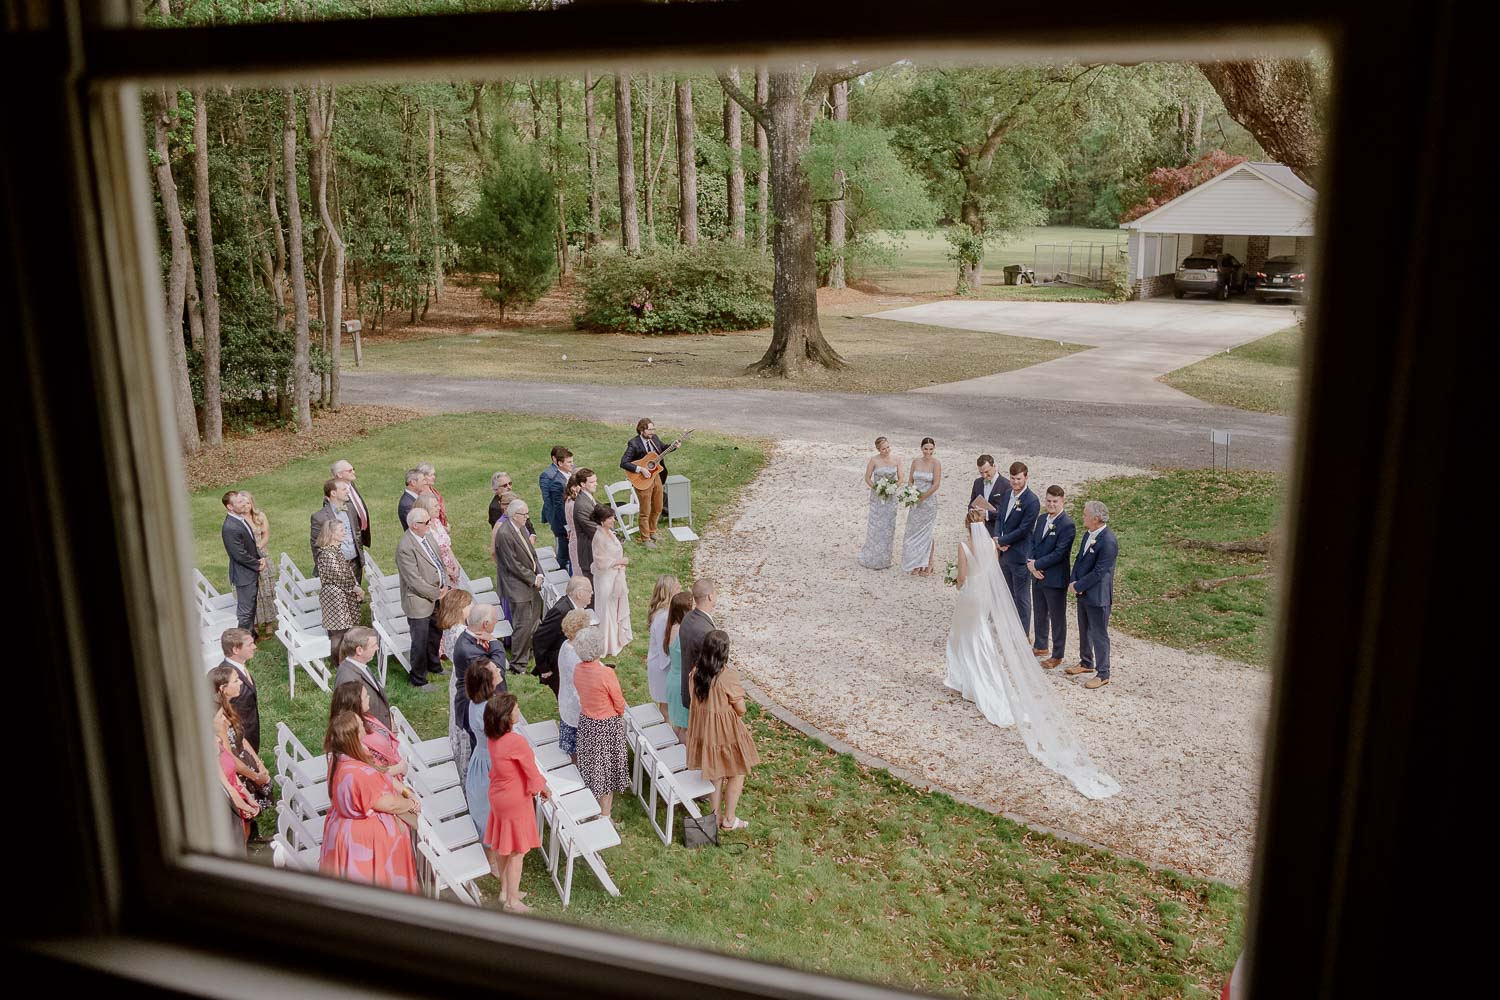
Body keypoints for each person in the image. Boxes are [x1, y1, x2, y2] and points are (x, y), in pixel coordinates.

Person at [945, 510, 1119, 798]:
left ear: (966, 524)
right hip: (985, 595)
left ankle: (966, 681)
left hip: (970, 595)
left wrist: (955, 577)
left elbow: (963, 578)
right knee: (980, 639)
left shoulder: (964, 546)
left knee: (962, 637)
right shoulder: (991, 544)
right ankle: (981, 682)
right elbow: (993, 572)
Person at [319, 710, 420, 893]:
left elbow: (382, 774)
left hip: (345, 832)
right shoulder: (356, 773)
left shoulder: (339, 758)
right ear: (354, 736)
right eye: (361, 726)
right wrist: (411, 805)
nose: (366, 729)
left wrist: (405, 791)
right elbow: (388, 804)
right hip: (365, 845)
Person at [685, 630, 760, 831]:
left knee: (716, 774)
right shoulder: (727, 676)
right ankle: (729, 819)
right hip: (726, 733)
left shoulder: (695, 674)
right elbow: (741, 709)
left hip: (705, 732)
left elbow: (695, 702)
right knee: (737, 771)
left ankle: (714, 817)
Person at [484, 691, 551, 913]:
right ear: (506, 717)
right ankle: (513, 901)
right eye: (515, 709)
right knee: (517, 852)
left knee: (504, 845)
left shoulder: (493, 738)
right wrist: (543, 788)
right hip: (514, 799)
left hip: (498, 795)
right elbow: (531, 773)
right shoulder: (516, 742)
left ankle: (505, 891)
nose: (519, 710)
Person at [571, 626, 630, 818]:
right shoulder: (606, 673)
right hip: (605, 725)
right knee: (606, 772)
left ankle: (592, 806)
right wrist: (619, 713)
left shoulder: (578, 669)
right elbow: (619, 701)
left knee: (592, 768)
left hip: (587, 723)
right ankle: (605, 815)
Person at [210, 664, 272, 842]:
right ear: (222, 688)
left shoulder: (226, 709)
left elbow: (241, 737)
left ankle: (252, 837)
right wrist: (254, 776)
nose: (240, 683)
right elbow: (229, 759)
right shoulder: (217, 721)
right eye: (235, 681)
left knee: (245, 825)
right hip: (236, 774)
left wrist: (259, 763)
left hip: (241, 774)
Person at [1066, 500, 1119, 691]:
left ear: (1096, 518)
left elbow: (1100, 571)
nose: (1083, 517)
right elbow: (1080, 559)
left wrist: (1080, 585)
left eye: (1085, 514)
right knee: (1084, 628)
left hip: (1098, 595)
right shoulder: (1088, 534)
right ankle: (1086, 661)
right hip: (1083, 592)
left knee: (1099, 633)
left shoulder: (1108, 541)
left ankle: (1103, 673)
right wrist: (1073, 581)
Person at [451, 602, 506, 779]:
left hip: (483, 699)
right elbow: (496, 670)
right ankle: (485, 779)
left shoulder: (472, 638)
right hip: (473, 704)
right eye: (495, 622)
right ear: (485, 624)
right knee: (483, 746)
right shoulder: (468, 649)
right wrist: (496, 643)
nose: (495, 626)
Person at [395, 507, 449, 688]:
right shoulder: (405, 547)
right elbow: (414, 580)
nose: (430, 524)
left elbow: (439, 562)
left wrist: (445, 583)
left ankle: (434, 665)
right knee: (420, 640)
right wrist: (436, 593)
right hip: (418, 600)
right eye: (426, 522)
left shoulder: (428, 536)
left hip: (437, 594)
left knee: (435, 633)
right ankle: (418, 678)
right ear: (414, 525)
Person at [1028, 485, 1077, 669]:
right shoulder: (1041, 520)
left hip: (1055, 577)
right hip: (1037, 574)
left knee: (1057, 617)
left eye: (1055, 501)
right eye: (1048, 501)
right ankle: (1041, 645)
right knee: (1040, 611)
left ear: (1062, 501)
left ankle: (1058, 654)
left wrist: (1037, 565)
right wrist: (1031, 564)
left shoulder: (1067, 524)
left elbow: (1059, 553)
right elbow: (1032, 542)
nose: (1051, 505)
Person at [494, 498, 544, 671]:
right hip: (517, 585)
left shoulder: (521, 528)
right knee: (522, 624)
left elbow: (532, 554)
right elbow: (512, 564)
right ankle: (518, 664)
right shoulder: (505, 534)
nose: (527, 517)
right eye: (524, 514)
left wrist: (540, 573)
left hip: (531, 582)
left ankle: (528, 652)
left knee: (534, 620)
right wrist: (533, 578)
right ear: (514, 515)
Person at [995, 462, 1041, 644]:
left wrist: (1004, 541)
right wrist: (998, 538)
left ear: (1026, 477)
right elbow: (999, 517)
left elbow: (1024, 529)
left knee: (1021, 597)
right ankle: (1009, 628)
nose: (1015, 482)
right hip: (1004, 553)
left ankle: (1022, 634)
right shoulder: (1007, 494)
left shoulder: (1032, 501)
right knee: (1007, 593)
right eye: (1013, 478)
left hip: (1020, 554)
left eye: (1018, 479)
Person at [328, 681, 407, 776]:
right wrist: (399, 768)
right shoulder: (352, 737)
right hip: (387, 781)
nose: (369, 697)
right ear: (356, 703)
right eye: (365, 696)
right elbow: (372, 773)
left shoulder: (366, 716)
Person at [314, 518, 365, 661]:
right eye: (341, 530)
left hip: (343, 594)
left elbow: (348, 572)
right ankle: (338, 661)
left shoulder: (336, 550)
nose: (345, 532)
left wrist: (356, 587)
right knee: (338, 631)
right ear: (331, 533)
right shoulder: (327, 554)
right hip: (334, 597)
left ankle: (346, 658)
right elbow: (338, 577)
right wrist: (356, 589)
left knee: (346, 629)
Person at [533, 575, 592, 698]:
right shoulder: (561, 611)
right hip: (556, 664)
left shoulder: (571, 607)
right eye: (590, 591)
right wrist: (544, 668)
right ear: (579, 594)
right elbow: (540, 638)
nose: (591, 594)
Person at [462, 660, 503, 836]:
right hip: (492, 763)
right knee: (491, 811)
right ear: (488, 680)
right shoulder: (488, 710)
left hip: (481, 757)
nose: (499, 669)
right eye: (495, 669)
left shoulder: (476, 702)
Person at [620, 417, 671, 549]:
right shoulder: (634, 443)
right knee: (645, 511)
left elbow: (662, 448)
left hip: (656, 477)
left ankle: (652, 531)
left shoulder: (654, 439)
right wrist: (641, 469)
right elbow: (624, 462)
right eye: (650, 430)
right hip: (642, 480)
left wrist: (673, 446)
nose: (652, 432)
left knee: (658, 507)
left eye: (653, 429)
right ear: (642, 430)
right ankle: (645, 538)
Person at [589, 505, 633, 657]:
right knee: (607, 610)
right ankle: (607, 644)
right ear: (602, 521)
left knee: (614, 608)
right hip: (605, 579)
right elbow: (600, 562)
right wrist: (619, 561)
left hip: (614, 575)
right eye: (610, 518)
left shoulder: (609, 532)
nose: (613, 520)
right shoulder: (598, 537)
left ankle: (616, 639)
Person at [333, 626, 392, 729]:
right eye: (373, 645)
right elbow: (352, 719)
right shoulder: (348, 680)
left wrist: (390, 720)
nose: (377, 648)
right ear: (359, 650)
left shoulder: (360, 665)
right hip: (372, 735)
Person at [857, 436, 903, 569]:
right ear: (878, 449)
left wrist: (893, 487)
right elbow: (867, 478)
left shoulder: (897, 460)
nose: (886, 450)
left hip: (891, 497)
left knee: (888, 526)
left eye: (888, 447)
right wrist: (877, 488)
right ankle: (872, 556)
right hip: (877, 497)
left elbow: (901, 478)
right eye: (883, 448)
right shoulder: (874, 460)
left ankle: (885, 558)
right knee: (875, 526)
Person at [221, 490, 264, 631]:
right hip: (243, 575)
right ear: (230, 507)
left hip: (250, 571)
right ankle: (242, 642)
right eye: (239, 502)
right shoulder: (230, 527)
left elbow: (250, 543)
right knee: (245, 612)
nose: (244, 503)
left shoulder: (240, 519)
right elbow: (239, 554)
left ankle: (251, 638)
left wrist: (260, 556)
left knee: (251, 607)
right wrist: (257, 564)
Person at [900, 438, 943, 575]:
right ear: (921, 448)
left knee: (926, 532)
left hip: (928, 503)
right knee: (913, 532)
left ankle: (928, 564)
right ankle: (916, 563)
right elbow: (910, 481)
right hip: (915, 503)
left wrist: (923, 497)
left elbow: (936, 484)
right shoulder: (915, 462)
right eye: (926, 449)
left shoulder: (936, 463)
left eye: (931, 449)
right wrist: (910, 494)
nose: (928, 452)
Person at [555, 609, 593, 762]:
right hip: (576, 705)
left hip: (566, 699)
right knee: (577, 748)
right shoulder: (575, 656)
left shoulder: (566, 645)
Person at [310, 478, 364, 584]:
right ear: (333, 493)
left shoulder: (351, 508)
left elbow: (357, 533)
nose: (348, 491)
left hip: (355, 562)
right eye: (344, 489)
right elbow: (316, 545)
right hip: (337, 566)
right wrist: (326, 569)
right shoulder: (319, 517)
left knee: (357, 597)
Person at [678, 578, 718, 718]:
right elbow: (712, 666)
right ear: (710, 596)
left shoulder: (688, 618)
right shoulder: (705, 631)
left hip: (687, 687)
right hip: (700, 695)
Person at [218, 627, 261, 753]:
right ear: (236, 650)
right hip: (241, 739)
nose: (255, 647)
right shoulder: (227, 678)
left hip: (252, 731)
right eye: (250, 644)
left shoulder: (239, 667)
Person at [645, 575, 682, 721]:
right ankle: (667, 738)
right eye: (678, 587)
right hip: (662, 667)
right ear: (669, 591)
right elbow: (664, 648)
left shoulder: (665, 612)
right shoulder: (663, 617)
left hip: (661, 664)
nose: (681, 589)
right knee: (666, 705)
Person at [331, 459, 371, 579]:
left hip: (359, 534)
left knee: (358, 570)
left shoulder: (351, 485)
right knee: (352, 574)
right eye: (349, 470)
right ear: (339, 475)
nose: (353, 472)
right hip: (348, 539)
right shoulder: (336, 492)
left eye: (353, 469)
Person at [662, 591, 695, 737]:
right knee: (685, 727)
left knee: (677, 724)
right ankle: (682, 757)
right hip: (681, 682)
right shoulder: (682, 630)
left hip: (673, 678)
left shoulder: (673, 626)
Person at [244, 493, 276, 637]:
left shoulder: (260, 516)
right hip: (247, 559)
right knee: (253, 594)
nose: (246, 506)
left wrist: (256, 549)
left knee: (266, 590)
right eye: (243, 503)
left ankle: (269, 622)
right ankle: (255, 624)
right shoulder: (239, 521)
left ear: (252, 503)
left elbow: (266, 535)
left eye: (248, 503)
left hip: (262, 555)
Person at [539, 446, 574, 573]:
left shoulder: (570, 474)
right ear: (558, 461)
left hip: (570, 517)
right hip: (560, 520)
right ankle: (560, 574)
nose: (572, 464)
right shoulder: (551, 478)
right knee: (562, 552)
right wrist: (565, 524)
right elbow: (551, 502)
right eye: (569, 462)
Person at [413, 494, 461, 586]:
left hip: (452, 572)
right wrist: (447, 571)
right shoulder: (423, 531)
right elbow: (429, 558)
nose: (439, 508)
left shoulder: (436, 521)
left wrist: (455, 564)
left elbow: (447, 547)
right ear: (425, 509)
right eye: (435, 506)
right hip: (438, 576)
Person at [570, 468, 599, 583]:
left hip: (595, 552)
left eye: (595, 481)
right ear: (582, 484)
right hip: (589, 555)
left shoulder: (589, 498)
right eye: (592, 482)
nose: (596, 484)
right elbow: (595, 530)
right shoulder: (582, 505)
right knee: (593, 594)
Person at [968, 454, 1004, 539]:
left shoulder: (1006, 485)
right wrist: (972, 511)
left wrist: (987, 514)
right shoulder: (977, 483)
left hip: (996, 531)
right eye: (981, 472)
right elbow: (972, 502)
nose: (984, 476)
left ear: (994, 466)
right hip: (979, 529)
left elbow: (1006, 513)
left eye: (987, 472)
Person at [437, 588, 473, 664]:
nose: (471, 606)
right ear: (460, 609)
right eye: (469, 604)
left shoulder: (449, 629)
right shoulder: (463, 632)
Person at [418, 463, 449, 528]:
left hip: (441, 524)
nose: (434, 477)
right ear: (422, 477)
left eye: (434, 474)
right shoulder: (421, 495)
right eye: (430, 475)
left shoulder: (433, 490)